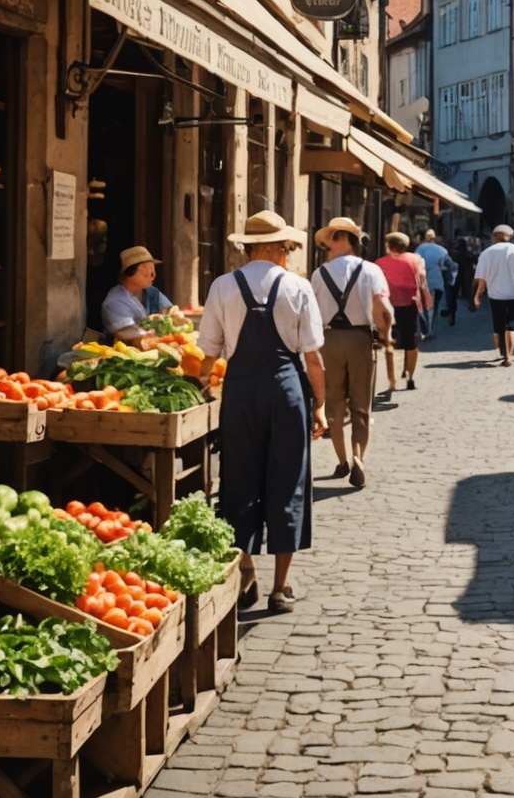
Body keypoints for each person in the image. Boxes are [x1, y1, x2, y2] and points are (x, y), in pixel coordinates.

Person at [198, 210, 325, 615]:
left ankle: (246, 569)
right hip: (286, 389)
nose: (288, 253)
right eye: (286, 247)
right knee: (288, 480)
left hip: (240, 390)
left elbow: (209, 351)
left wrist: (202, 383)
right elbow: (313, 358)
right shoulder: (297, 287)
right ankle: (281, 587)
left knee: (238, 477)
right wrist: (319, 405)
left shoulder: (222, 286)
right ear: (272, 248)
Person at [310, 217, 393, 488]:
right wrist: (386, 334)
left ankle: (342, 460)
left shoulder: (319, 274)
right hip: (360, 339)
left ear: (343, 239)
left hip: (329, 340)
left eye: (330, 240)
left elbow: (312, 314)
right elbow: (384, 310)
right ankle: (359, 456)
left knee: (334, 404)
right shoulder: (371, 271)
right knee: (361, 405)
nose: (327, 248)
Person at [377, 232, 431, 391]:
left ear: (388, 246)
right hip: (410, 304)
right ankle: (410, 376)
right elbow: (422, 281)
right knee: (410, 341)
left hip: (387, 306)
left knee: (389, 341)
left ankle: (392, 379)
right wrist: (426, 301)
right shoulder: (415, 260)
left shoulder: (379, 263)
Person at [474, 224, 514, 366]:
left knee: (498, 326)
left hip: (495, 295)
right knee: (511, 326)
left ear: (494, 237)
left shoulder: (486, 253)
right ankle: (509, 356)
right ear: (509, 237)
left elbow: (482, 278)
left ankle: (502, 351)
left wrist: (478, 295)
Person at [101, 245, 175, 343]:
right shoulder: (115, 301)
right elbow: (127, 333)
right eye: (145, 271)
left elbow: (171, 313)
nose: (152, 275)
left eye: (153, 269)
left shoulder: (152, 292)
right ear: (129, 273)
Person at [414, 230, 450, 340]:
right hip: (437, 281)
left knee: (421, 307)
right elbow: (447, 266)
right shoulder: (442, 250)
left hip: (422, 281)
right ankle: (430, 330)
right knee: (434, 307)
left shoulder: (420, 249)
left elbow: (415, 264)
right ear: (435, 238)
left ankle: (421, 331)